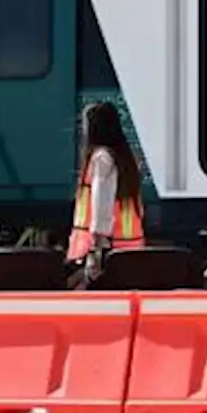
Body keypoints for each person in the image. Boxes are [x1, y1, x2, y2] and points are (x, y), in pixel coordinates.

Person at [67, 101, 146, 286]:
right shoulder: (127, 158)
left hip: (103, 249)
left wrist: (96, 247)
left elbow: (101, 201)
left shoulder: (102, 158)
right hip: (129, 246)